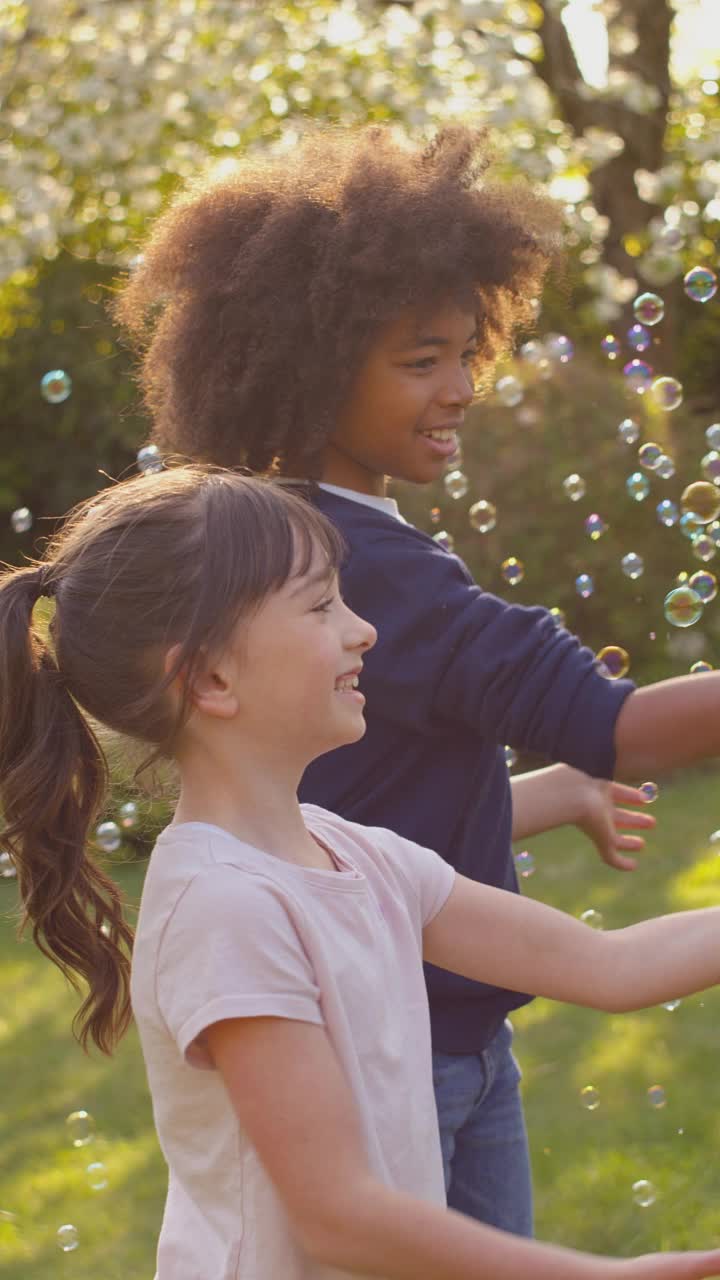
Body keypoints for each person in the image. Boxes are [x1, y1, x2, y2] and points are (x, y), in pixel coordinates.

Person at [110, 123, 675, 1236]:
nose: (463, 385)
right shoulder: (352, 566)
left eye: (470, 350)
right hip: (398, 1044)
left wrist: (548, 792)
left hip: (444, 1028)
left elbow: (356, 832)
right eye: (422, 359)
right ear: (311, 368)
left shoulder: (322, 557)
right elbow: (615, 723)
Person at [1, 463, 720, 1280]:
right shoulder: (226, 907)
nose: (363, 629)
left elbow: (609, 965)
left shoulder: (356, 853)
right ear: (209, 677)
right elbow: (337, 1218)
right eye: (320, 606)